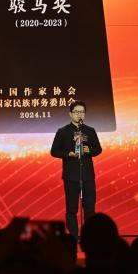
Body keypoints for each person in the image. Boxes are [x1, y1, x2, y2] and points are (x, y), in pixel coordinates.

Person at [50, 100, 103, 243]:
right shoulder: (63, 131)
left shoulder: (90, 131)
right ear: (70, 114)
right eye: (76, 112)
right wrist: (68, 154)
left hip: (87, 176)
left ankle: (89, 238)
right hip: (71, 176)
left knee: (90, 208)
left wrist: (90, 150)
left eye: (82, 112)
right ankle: (73, 239)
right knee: (72, 210)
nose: (79, 114)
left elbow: (98, 149)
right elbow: (54, 151)